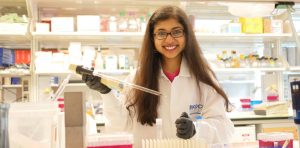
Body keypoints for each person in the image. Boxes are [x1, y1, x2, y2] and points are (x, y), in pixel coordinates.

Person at [82, 5, 234, 147]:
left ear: (186, 35)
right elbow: (121, 127)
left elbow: (225, 129)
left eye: (176, 32)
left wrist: (196, 128)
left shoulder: (202, 78)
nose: (169, 39)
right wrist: (106, 93)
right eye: (161, 33)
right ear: (152, 38)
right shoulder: (138, 77)